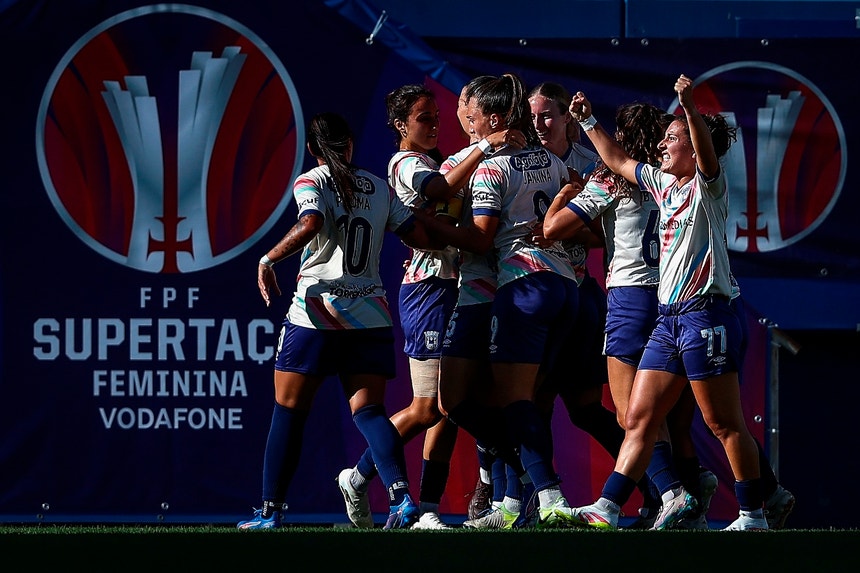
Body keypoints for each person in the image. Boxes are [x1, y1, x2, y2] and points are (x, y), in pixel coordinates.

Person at [564, 74, 769, 531]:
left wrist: (690, 111)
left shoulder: (705, 188)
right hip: (668, 321)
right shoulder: (663, 185)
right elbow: (617, 161)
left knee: (723, 424)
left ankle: (753, 514)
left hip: (705, 317)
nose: (662, 145)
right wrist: (589, 120)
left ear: (694, 152)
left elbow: (706, 155)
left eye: (672, 139)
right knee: (637, 416)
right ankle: (608, 505)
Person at [238, 112, 440, 530]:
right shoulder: (379, 188)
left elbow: (310, 221)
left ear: (312, 149)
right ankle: (402, 499)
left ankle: (271, 511)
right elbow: (418, 235)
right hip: (369, 315)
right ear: (350, 144)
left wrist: (268, 257)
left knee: (288, 411)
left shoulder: (312, 180)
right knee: (369, 412)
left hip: (316, 313)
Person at [336, 84, 523, 530]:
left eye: (437, 115)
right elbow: (439, 188)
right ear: (402, 126)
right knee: (429, 407)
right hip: (427, 289)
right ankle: (359, 476)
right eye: (424, 117)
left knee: (452, 406)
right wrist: (484, 145)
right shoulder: (406, 164)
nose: (435, 123)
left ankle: (431, 508)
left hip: (457, 286)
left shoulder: (441, 159)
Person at [417, 72, 581, 529]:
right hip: (562, 284)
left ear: (492, 118)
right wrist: (552, 220)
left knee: (509, 402)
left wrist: (431, 227)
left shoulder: (488, 167)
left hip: (514, 287)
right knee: (510, 401)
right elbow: (579, 186)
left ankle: (546, 496)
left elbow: (479, 237)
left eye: (470, 114)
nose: (463, 121)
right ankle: (513, 502)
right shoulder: (548, 160)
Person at [544, 101, 714, 530]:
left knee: (629, 415)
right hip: (674, 296)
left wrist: (562, 197)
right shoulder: (672, 178)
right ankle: (689, 491)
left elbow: (555, 229)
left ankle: (671, 492)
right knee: (672, 416)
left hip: (630, 298)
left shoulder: (610, 177)